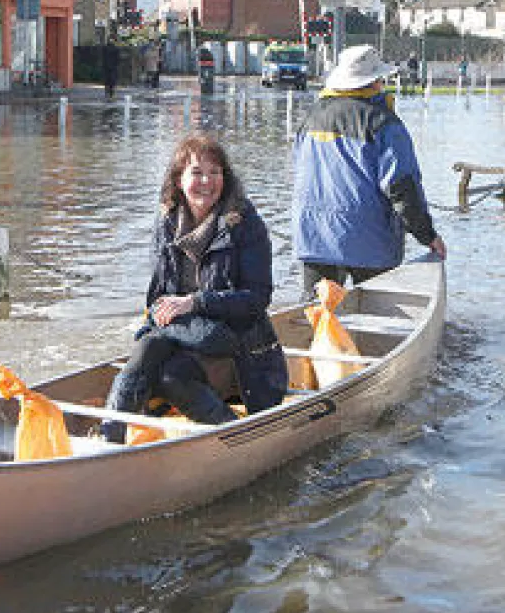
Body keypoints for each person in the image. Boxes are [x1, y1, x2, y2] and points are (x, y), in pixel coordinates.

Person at [101, 134, 289, 443]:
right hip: (186, 338)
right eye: (197, 172)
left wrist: (197, 302)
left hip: (237, 347)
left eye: (215, 172)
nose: (207, 181)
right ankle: (111, 439)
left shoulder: (246, 223)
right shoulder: (166, 222)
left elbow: (258, 299)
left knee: (167, 372)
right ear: (178, 179)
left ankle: (237, 439)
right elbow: (158, 296)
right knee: (152, 353)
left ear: (225, 178)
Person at [293, 45, 446, 292]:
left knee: (317, 316)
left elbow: (301, 173)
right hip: (371, 241)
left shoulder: (310, 118)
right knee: (379, 316)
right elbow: (402, 188)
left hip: (314, 237)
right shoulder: (384, 123)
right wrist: (427, 236)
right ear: (375, 82)